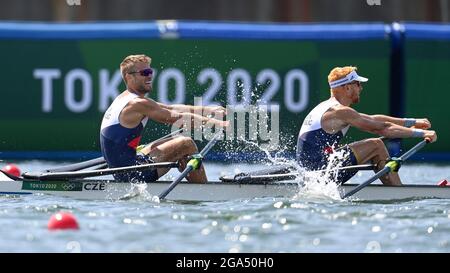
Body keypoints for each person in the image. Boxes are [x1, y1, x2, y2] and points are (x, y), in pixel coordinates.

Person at [296, 66, 437, 185]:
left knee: (374, 145)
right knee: (376, 145)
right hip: (320, 174)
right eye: (358, 84)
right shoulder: (340, 111)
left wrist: (411, 122)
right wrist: (422, 134)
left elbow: (373, 119)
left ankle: (395, 189)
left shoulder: (328, 107)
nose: (361, 88)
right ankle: (399, 193)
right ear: (347, 87)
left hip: (313, 171)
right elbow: (381, 128)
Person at [100, 54, 228, 183]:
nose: (149, 75)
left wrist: (208, 110)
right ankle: (202, 191)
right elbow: (177, 117)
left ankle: (193, 186)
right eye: (144, 72)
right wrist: (217, 123)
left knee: (172, 141)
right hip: (132, 174)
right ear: (129, 76)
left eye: (150, 71)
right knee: (186, 144)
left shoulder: (125, 98)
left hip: (125, 167)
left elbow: (170, 108)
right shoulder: (136, 103)